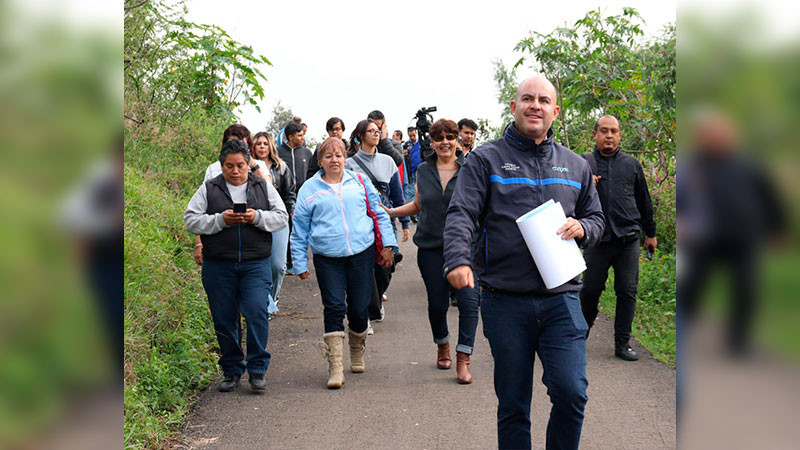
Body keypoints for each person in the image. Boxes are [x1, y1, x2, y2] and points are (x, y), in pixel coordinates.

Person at [443, 76, 604, 449]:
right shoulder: (485, 159)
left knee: (572, 393)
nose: (536, 105)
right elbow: (462, 213)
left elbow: (597, 218)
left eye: (544, 100)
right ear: (514, 107)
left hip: (562, 299)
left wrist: (583, 227)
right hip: (505, 300)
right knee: (514, 403)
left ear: (555, 111)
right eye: (528, 99)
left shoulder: (575, 165)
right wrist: (458, 259)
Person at [291, 137, 397, 389]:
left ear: (345, 158)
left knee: (360, 308)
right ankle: (335, 367)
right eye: (328, 156)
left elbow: (379, 212)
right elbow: (299, 228)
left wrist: (389, 245)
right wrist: (299, 262)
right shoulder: (309, 189)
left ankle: (357, 350)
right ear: (320, 161)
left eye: (338, 155)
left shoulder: (358, 181)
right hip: (327, 258)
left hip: (361, 253)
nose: (334, 160)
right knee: (334, 306)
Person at [184, 139, 289, 393]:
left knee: (256, 311)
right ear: (221, 166)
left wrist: (256, 217)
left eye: (240, 165)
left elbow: (281, 217)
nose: (235, 171)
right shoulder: (209, 188)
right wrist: (221, 220)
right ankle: (231, 370)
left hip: (255, 263)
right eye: (229, 166)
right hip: (218, 264)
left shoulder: (262, 186)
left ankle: (257, 369)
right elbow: (191, 221)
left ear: (248, 164)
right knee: (224, 318)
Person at [383, 118, 480, 384]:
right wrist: (391, 212)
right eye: (439, 138)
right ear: (433, 142)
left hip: (466, 247)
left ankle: (464, 357)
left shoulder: (470, 169)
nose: (445, 142)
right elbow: (418, 205)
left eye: (450, 137)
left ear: (457, 140)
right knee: (437, 304)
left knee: (469, 302)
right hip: (431, 246)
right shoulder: (424, 170)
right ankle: (442, 344)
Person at [578, 115, 657, 361]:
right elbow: (569, 199)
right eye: (604, 131)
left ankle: (622, 343)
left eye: (614, 131)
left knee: (627, 291)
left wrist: (651, 233)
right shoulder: (583, 164)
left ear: (620, 135)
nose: (609, 136)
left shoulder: (632, 165)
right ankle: (578, 339)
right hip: (597, 240)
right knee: (589, 290)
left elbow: (644, 200)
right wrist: (585, 186)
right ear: (595, 135)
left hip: (628, 239)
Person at [346, 119, 410, 324]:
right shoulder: (349, 164)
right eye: (371, 131)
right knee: (366, 267)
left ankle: (376, 300)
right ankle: (367, 312)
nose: (376, 134)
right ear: (360, 136)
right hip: (361, 223)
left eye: (378, 131)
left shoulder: (388, 161)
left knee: (386, 267)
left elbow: (397, 195)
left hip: (385, 222)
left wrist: (405, 223)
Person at [194, 124, 267, 266]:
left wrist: (252, 165)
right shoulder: (213, 169)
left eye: (241, 143)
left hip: (256, 243)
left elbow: (269, 191)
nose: (235, 171)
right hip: (220, 244)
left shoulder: (258, 166)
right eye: (231, 143)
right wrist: (199, 243)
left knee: (276, 267)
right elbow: (202, 209)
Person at [253, 132, 296, 310]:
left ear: (270, 146)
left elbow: (290, 192)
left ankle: (273, 297)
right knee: (259, 264)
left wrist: (291, 210)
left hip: (278, 219)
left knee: (278, 265)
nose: (262, 147)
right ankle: (264, 304)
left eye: (265, 143)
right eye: (258, 143)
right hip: (256, 220)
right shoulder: (248, 167)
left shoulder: (282, 167)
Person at [278, 122, 313, 275]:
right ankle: (287, 262)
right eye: (299, 135)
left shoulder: (307, 153)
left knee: (301, 229)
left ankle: (298, 262)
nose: (302, 138)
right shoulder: (278, 152)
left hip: (303, 197)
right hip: (283, 197)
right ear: (290, 137)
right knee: (287, 228)